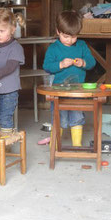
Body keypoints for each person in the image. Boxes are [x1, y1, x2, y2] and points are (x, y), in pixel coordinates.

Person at [42, 10, 96, 147]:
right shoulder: (53, 48)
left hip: (78, 89)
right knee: (58, 117)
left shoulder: (82, 45)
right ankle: (55, 144)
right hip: (58, 90)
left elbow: (92, 62)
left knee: (77, 116)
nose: (70, 40)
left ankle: (76, 145)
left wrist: (83, 63)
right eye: (66, 36)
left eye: (74, 36)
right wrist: (60, 64)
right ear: (58, 31)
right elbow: (47, 66)